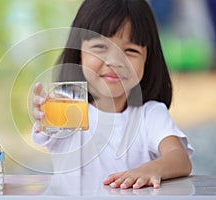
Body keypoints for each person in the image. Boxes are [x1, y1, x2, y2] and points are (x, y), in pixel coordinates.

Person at [31, 0, 194, 189]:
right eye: (100, 47)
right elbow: (49, 126)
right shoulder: (68, 106)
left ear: (148, 60)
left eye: (130, 50)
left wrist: (152, 169)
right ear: (78, 53)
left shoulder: (150, 114)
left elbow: (180, 159)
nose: (114, 61)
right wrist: (44, 115)